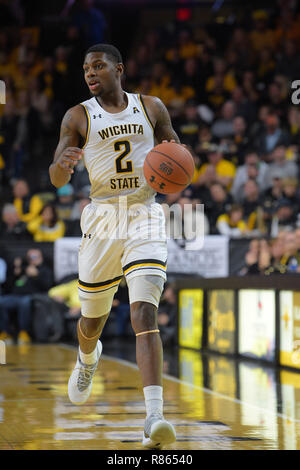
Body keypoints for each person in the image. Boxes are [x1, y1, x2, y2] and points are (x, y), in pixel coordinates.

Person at [49, 43, 178, 449]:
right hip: (103, 217)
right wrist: (62, 167)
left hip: (144, 214)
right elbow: (55, 177)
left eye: (99, 66)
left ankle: (154, 416)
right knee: (91, 322)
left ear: (118, 69)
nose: (90, 72)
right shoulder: (77, 116)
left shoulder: (152, 107)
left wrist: (178, 160)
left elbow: (177, 150)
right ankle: (88, 358)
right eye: (86, 67)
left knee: (143, 310)